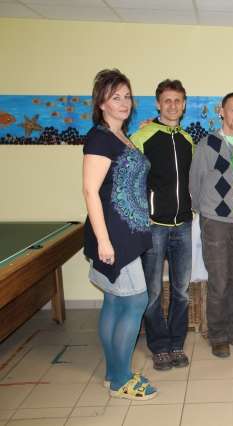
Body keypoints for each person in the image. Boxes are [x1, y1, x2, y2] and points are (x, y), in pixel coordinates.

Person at [82, 69, 157, 400]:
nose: (124, 102)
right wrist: (104, 241)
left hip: (127, 231)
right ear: (101, 103)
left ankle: (113, 373)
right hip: (114, 236)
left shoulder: (121, 136)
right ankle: (121, 379)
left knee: (114, 300)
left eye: (127, 96)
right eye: (116, 97)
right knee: (136, 300)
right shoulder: (100, 138)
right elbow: (90, 191)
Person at [131, 79, 194, 370]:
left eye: (177, 100)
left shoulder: (188, 140)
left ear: (184, 105)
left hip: (183, 225)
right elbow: (129, 180)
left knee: (181, 290)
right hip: (154, 225)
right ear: (158, 104)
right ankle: (159, 346)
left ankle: (177, 344)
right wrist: (140, 214)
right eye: (167, 100)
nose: (172, 105)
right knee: (153, 291)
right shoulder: (142, 136)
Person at [189, 92, 233, 358]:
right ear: (221, 112)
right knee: (219, 281)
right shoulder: (208, 144)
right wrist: (206, 211)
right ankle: (217, 335)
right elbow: (195, 183)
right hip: (215, 222)